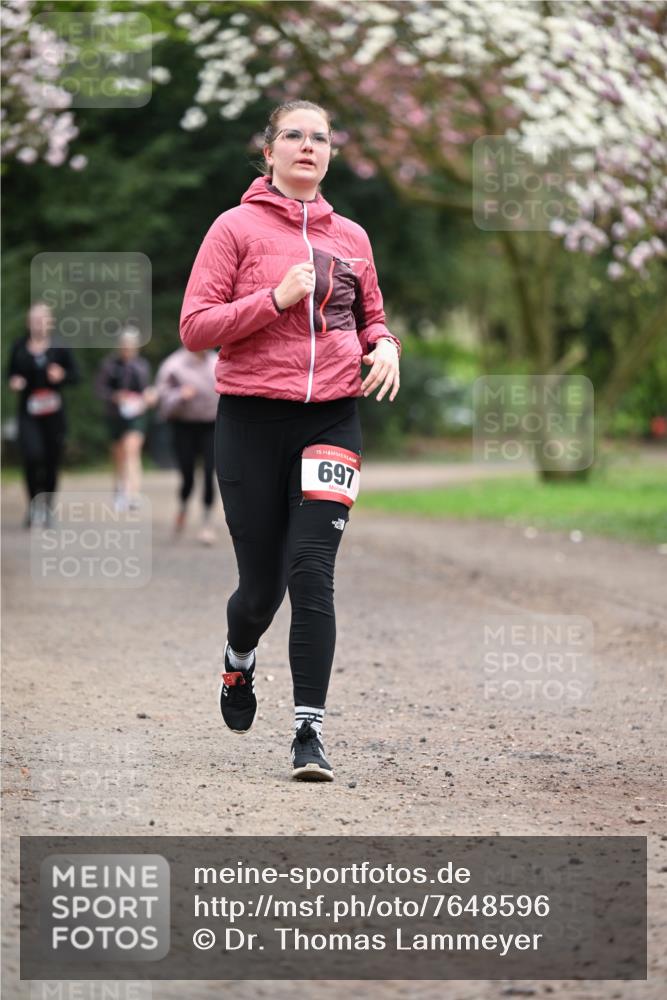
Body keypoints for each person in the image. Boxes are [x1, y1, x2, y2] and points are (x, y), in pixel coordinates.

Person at [180, 99, 401, 782]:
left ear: (330, 154)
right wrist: (271, 300)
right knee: (260, 590)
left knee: (312, 571)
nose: (308, 146)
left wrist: (385, 346)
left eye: (320, 138)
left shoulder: (352, 237)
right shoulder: (234, 227)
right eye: (293, 135)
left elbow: (368, 318)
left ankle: (309, 734)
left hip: (332, 417)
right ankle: (238, 660)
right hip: (251, 419)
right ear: (269, 151)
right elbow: (195, 327)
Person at [7, 302, 80, 526]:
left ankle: (47, 507)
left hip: (54, 414)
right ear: (28, 323)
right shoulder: (19, 346)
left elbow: (76, 376)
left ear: (50, 323)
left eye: (43, 319)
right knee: (32, 457)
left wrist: (62, 375)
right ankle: (33, 505)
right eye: (34, 319)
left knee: (51, 460)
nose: (38, 324)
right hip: (29, 413)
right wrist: (14, 381)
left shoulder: (59, 348)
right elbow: (9, 373)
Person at [155, 346, 218, 545]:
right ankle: (183, 507)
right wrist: (179, 395)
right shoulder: (173, 365)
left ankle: (206, 523)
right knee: (188, 475)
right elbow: (161, 396)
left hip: (211, 425)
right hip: (183, 426)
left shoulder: (217, 361)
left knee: (210, 473)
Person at [95, 328, 157, 510]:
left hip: (135, 415)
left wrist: (149, 396)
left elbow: (147, 390)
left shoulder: (142, 366)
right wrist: (115, 396)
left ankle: (133, 494)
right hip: (115, 415)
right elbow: (100, 390)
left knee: (132, 451)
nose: (127, 350)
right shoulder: (108, 365)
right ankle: (119, 490)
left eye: (131, 347)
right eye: (125, 346)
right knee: (119, 455)